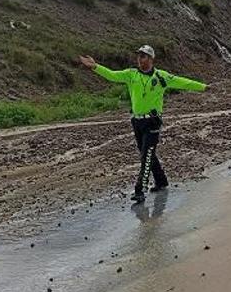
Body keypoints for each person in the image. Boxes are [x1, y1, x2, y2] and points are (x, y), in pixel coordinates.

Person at [79, 45, 207, 204]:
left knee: (146, 155)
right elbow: (112, 75)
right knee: (146, 152)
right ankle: (161, 181)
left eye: (144, 56)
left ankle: (140, 190)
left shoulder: (161, 77)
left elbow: (183, 82)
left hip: (152, 121)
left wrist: (203, 87)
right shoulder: (131, 74)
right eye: (139, 56)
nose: (140, 59)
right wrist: (95, 67)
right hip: (137, 121)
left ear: (151, 59)